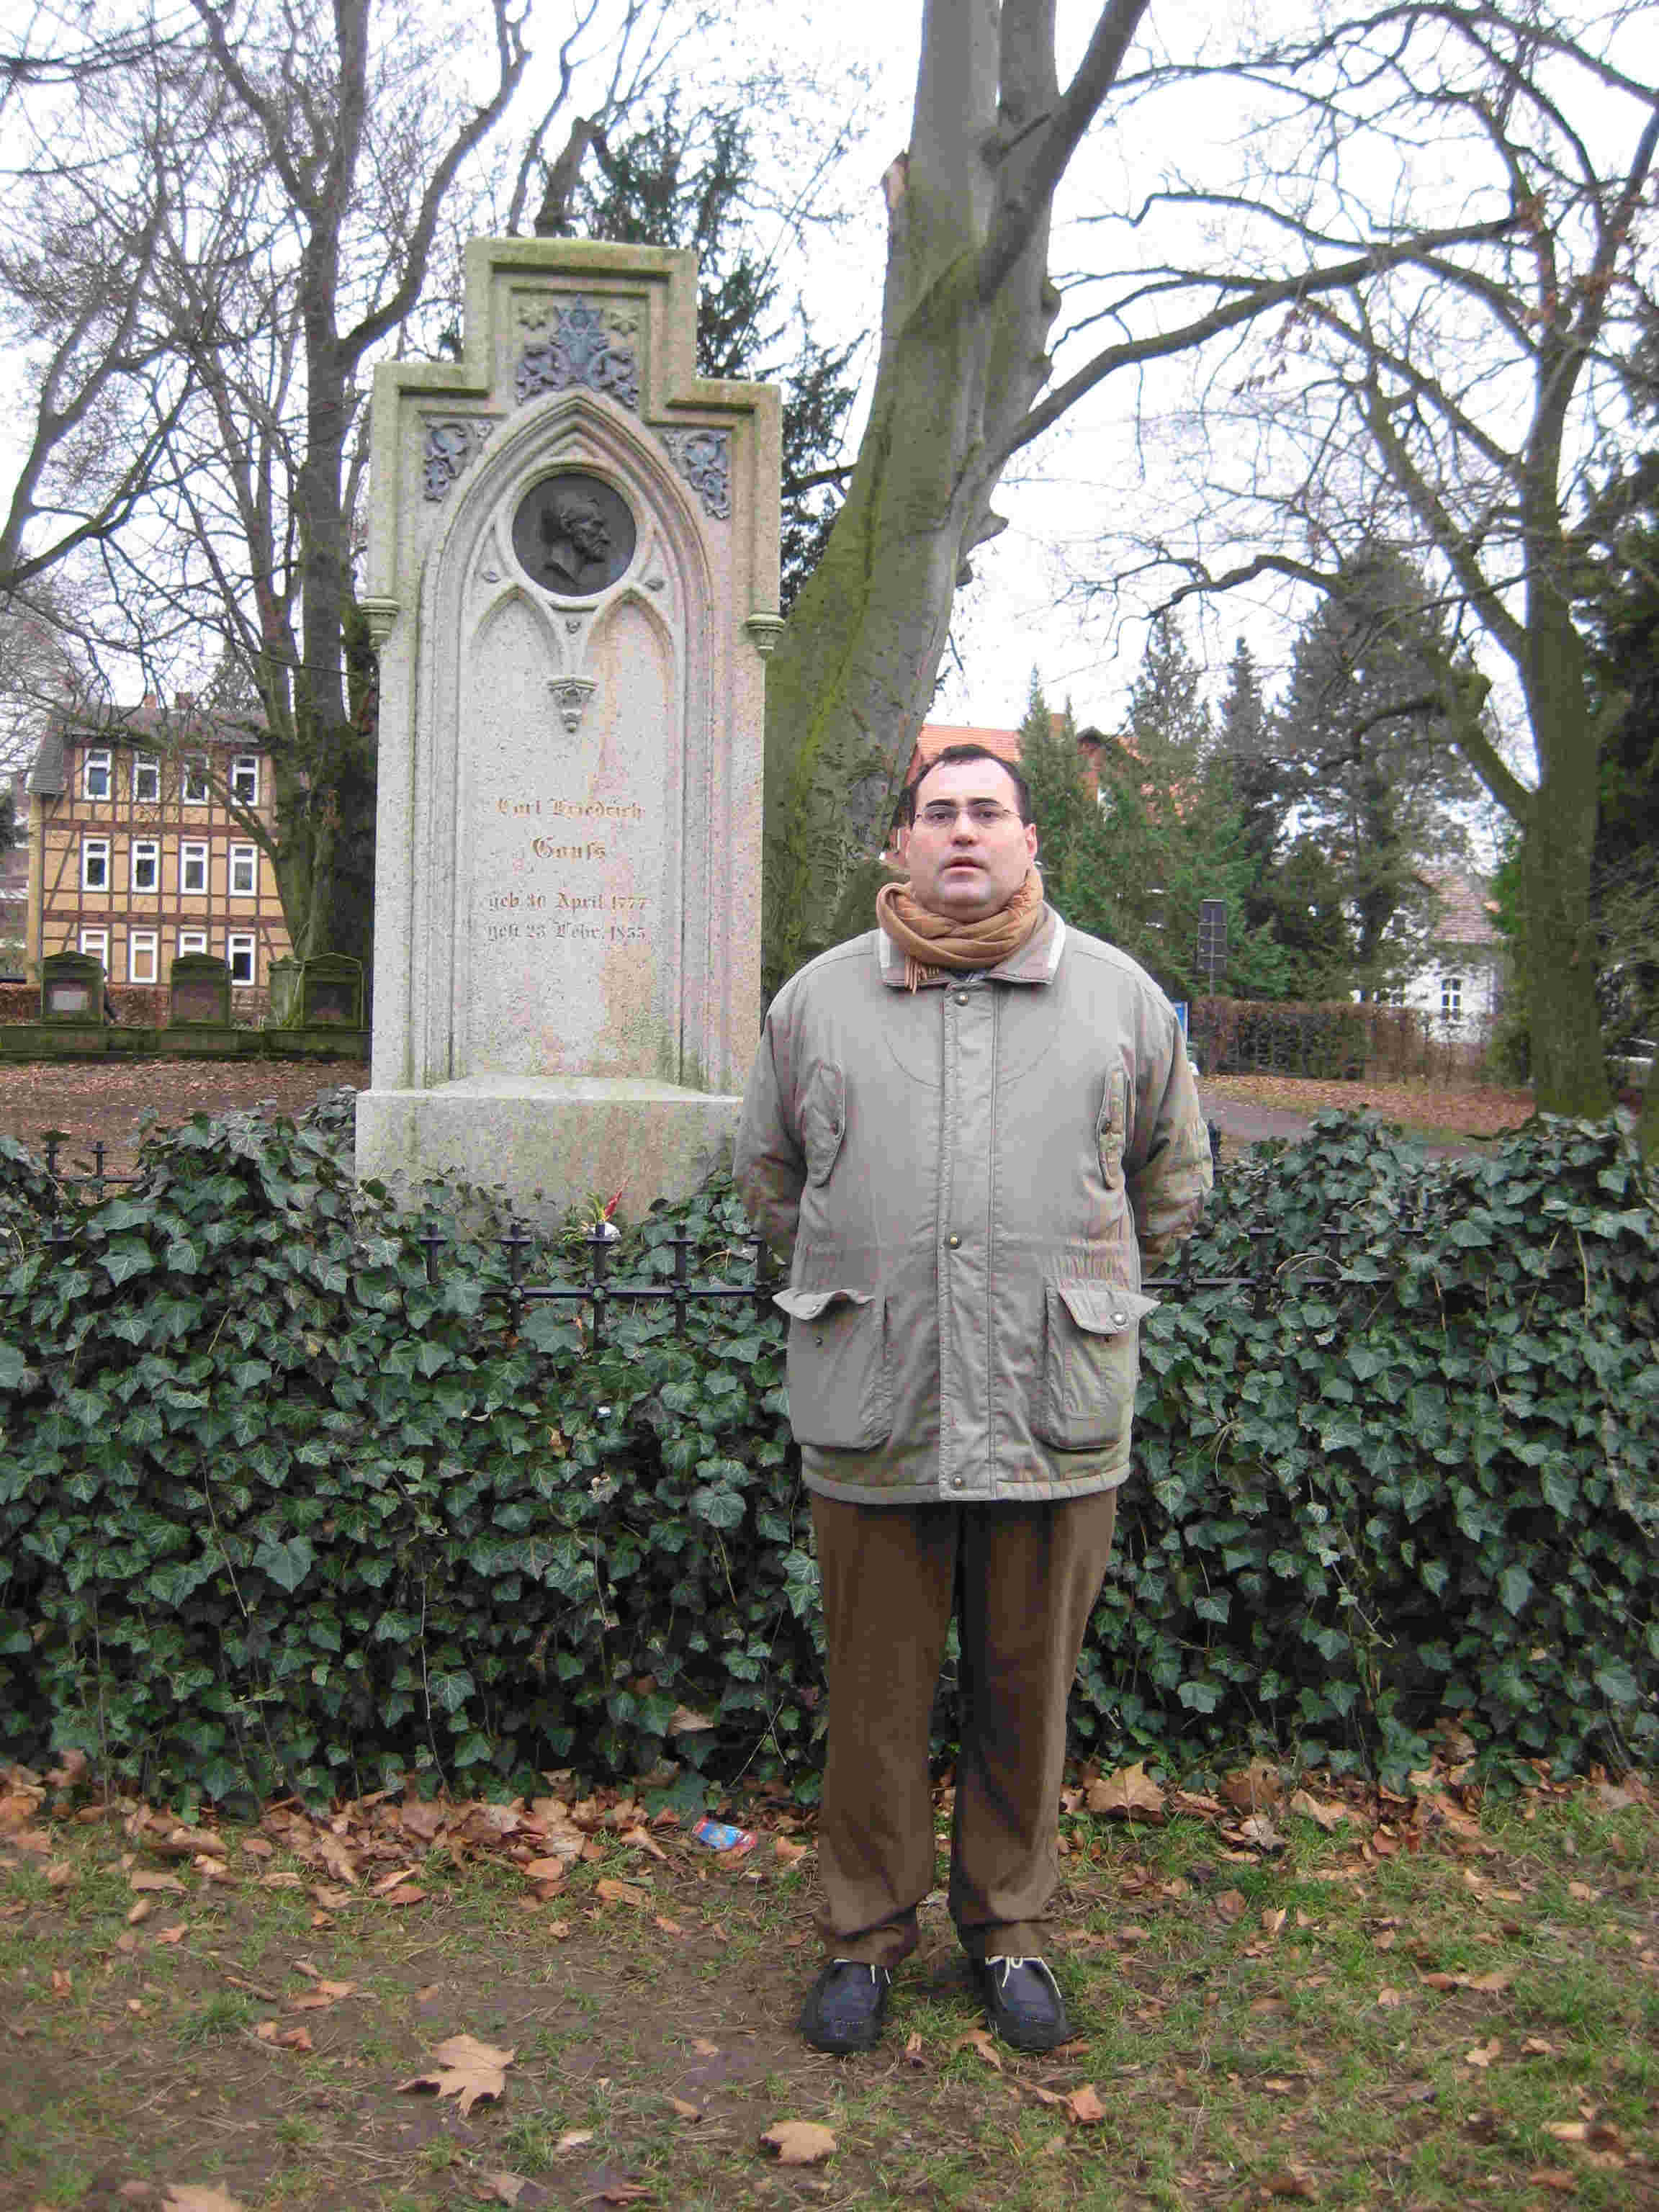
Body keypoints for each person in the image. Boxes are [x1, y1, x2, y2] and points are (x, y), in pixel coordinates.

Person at [734, 742, 1210, 2056]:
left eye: (985, 812)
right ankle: (863, 1938)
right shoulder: (814, 1004)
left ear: (1028, 839)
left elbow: (1172, 1185)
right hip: (871, 1402)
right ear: (899, 846)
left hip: (1055, 1411)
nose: (961, 833)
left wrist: (1073, 1288)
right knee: (873, 1697)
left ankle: (1009, 1930)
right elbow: (770, 1183)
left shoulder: (1119, 997)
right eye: (936, 813)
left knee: (1028, 1689)